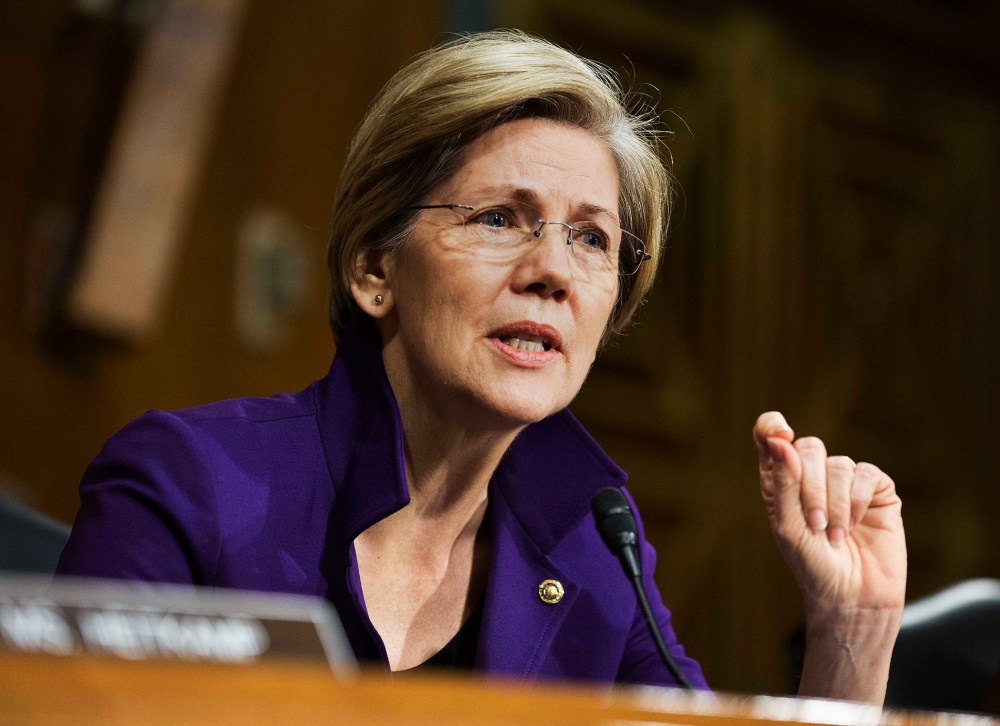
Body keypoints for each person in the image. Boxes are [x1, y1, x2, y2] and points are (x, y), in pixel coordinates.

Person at [57, 30, 906, 699]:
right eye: (501, 218)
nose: (552, 271)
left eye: (591, 238)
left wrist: (852, 632)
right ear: (375, 270)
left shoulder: (596, 552)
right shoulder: (189, 483)